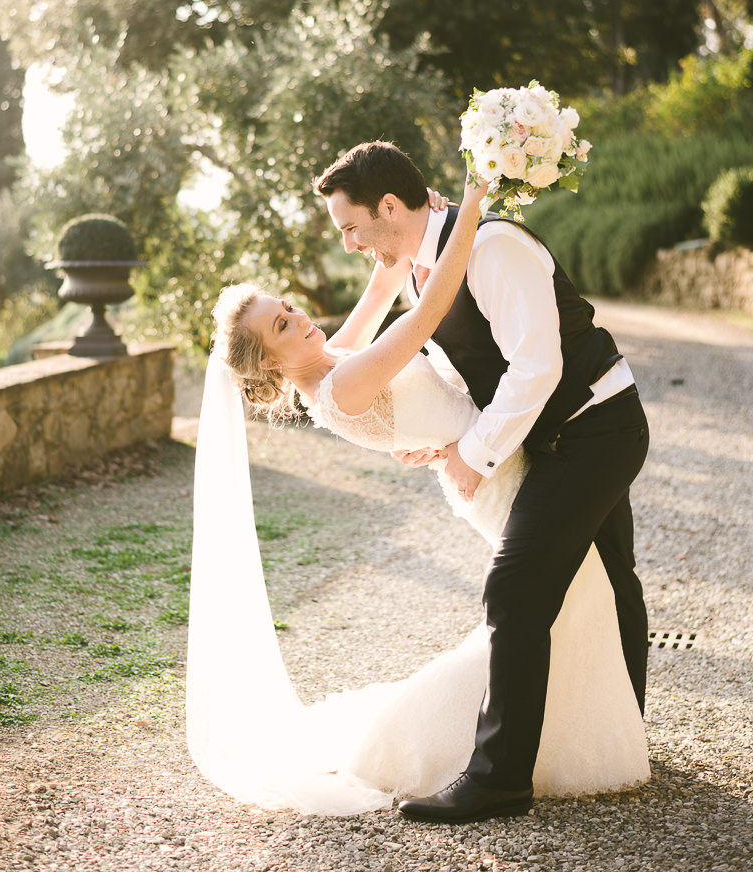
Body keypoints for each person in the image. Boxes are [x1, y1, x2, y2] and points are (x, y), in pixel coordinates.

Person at [187, 164, 649, 817]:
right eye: (282, 325)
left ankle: (608, 729)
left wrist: (417, 225)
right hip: (490, 469)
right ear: (268, 362)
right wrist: (470, 203)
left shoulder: (332, 356)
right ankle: (494, 768)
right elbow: (429, 310)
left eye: (287, 307)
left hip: (500, 447)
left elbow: (387, 287)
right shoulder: (340, 383)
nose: (298, 316)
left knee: (604, 581)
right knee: (535, 595)